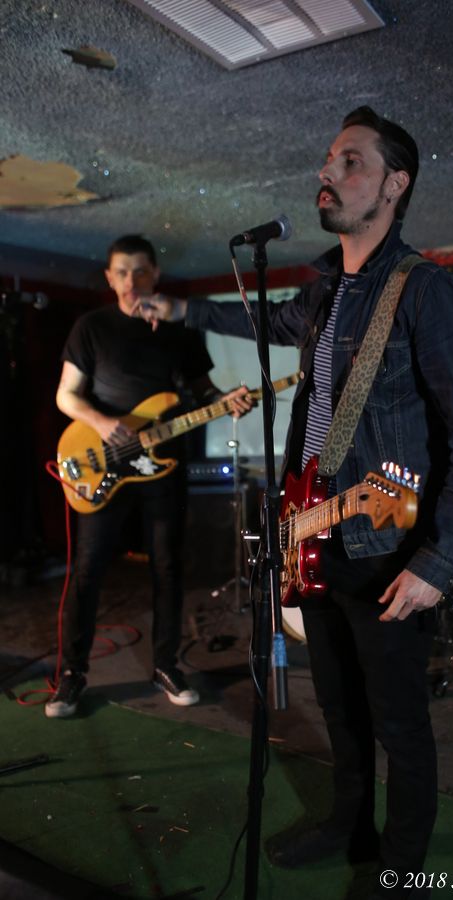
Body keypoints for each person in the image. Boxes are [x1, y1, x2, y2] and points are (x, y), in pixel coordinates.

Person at [139, 108, 453, 897]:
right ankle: (348, 822)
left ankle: (401, 865)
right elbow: (262, 318)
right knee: (337, 705)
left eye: (351, 161)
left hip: (388, 547)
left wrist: (438, 562)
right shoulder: (327, 290)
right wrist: (182, 310)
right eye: (329, 159)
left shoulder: (427, 293)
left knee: (398, 720)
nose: (326, 172)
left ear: (395, 184)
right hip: (315, 533)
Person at [45, 234, 252, 719]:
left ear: (155, 274)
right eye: (121, 271)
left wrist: (226, 401)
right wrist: (102, 423)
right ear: (109, 277)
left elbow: (203, 391)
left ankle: (165, 665)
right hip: (104, 461)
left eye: (140, 270)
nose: (131, 280)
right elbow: (66, 395)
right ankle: (72, 674)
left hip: (164, 464)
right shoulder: (92, 327)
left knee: (168, 567)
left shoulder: (179, 328)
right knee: (88, 570)